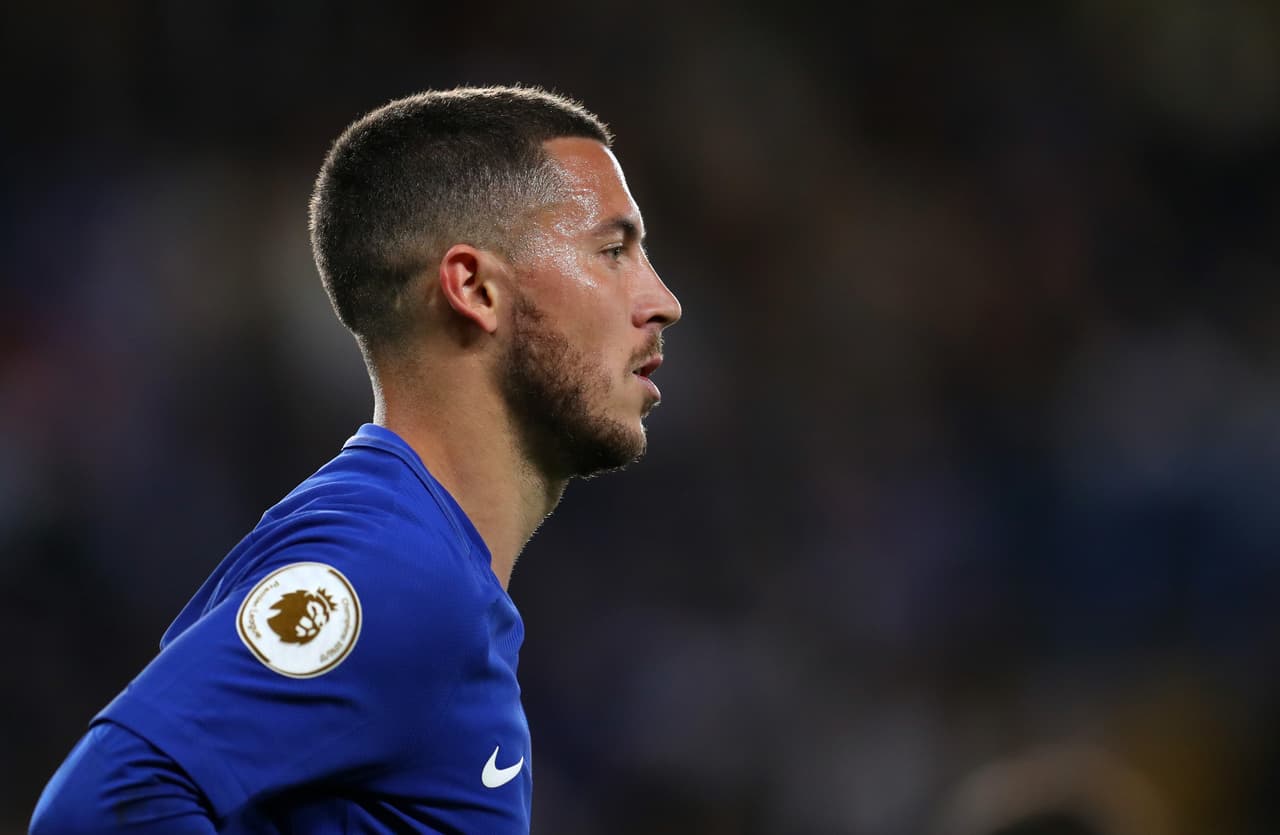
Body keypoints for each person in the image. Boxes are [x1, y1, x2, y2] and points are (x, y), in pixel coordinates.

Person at [29, 85, 682, 834]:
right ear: (474, 288)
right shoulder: (396, 566)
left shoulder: (412, 555)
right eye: (612, 250)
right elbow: (95, 811)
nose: (662, 299)